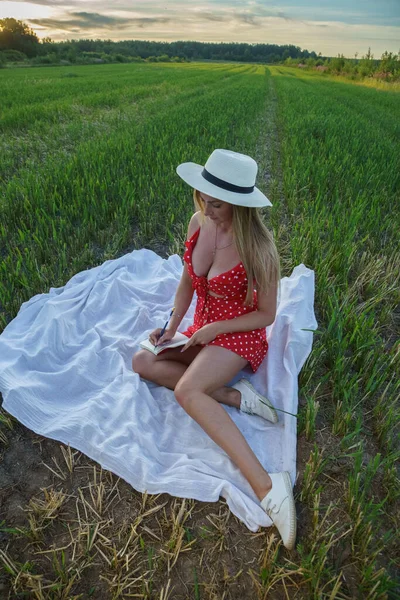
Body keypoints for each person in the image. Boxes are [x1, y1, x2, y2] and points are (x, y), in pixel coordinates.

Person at [132, 149, 296, 550]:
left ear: (240, 204)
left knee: (188, 392)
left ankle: (268, 485)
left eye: (217, 202)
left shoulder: (259, 247)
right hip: (200, 330)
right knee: (142, 361)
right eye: (203, 196)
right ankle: (231, 396)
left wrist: (217, 328)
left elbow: (266, 314)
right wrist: (171, 326)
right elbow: (188, 282)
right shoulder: (198, 221)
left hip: (237, 334)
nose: (207, 205)